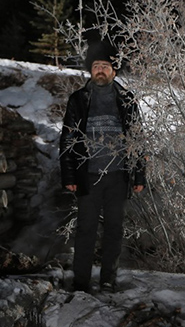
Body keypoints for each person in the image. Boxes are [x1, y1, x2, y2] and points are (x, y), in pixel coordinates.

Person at [59, 39, 145, 293]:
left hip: (117, 175)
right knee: (85, 230)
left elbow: (137, 138)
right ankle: (81, 281)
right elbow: (67, 139)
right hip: (88, 175)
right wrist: (69, 174)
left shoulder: (127, 100)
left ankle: (108, 279)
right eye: (96, 66)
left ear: (114, 71)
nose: (100, 70)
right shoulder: (78, 99)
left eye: (105, 66)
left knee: (114, 231)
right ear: (90, 70)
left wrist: (138, 173)